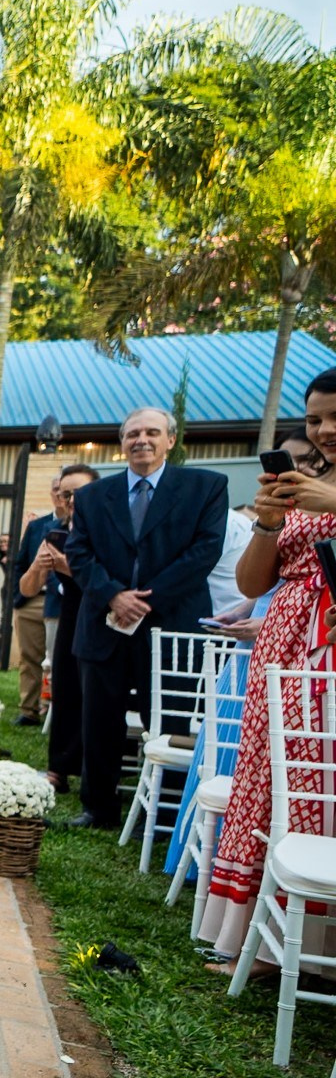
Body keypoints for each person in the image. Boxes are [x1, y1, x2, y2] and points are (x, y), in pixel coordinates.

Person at [201, 368, 336, 961]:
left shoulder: (325, 493)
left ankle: (315, 941)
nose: (325, 430)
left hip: (328, 650)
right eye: (314, 419)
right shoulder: (302, 485)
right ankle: (254, 940)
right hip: (281, 650)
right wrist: (269, 521)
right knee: (272, 779)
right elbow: (253, 582)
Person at [62, 407, 229, 829]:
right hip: (105, 623)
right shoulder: (92, 497)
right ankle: (98, 808)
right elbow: (78, 553)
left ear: (171, 439)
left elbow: (204, 551)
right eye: (133, 433)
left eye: (152, 432)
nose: (142, 440)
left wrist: (146, 600)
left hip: (172, 625)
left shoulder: (206, 487)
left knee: (169, 717)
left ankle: (162, 813)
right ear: (122, 444)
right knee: (99, 719)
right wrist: (115, 595)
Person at [17, 465, 98, 792]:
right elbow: (26, 586)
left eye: (78, 493)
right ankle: (58, 769)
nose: (70, 500)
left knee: (91, 695)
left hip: (99, 613)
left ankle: (92, 773)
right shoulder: (56, 531)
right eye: (65, 494)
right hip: (68, 612)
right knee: (63, 688)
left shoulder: (105, 531)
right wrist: (40, 566)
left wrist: (67, 565)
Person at [8, 477, 66, 726]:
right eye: (56, 490)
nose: (60, 495)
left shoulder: (80, 525)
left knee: (56, 660)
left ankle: (53, 710)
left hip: (61, 602)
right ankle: (28, 709)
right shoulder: (37, 526)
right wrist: (18, 597)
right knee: (29, 657)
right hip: (31, 599)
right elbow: (20, 563)